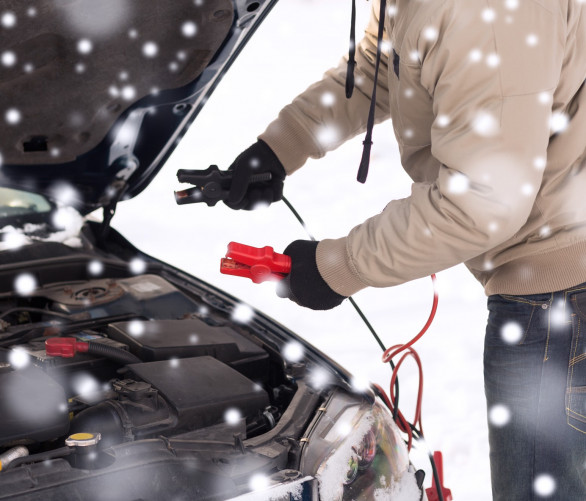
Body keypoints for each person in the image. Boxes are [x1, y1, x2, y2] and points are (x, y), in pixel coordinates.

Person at [223, 1, 586, 499]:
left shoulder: (482, 13)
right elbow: (383, 64)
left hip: (563, 296)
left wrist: (336, 266)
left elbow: (482, 201)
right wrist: (282, 147)